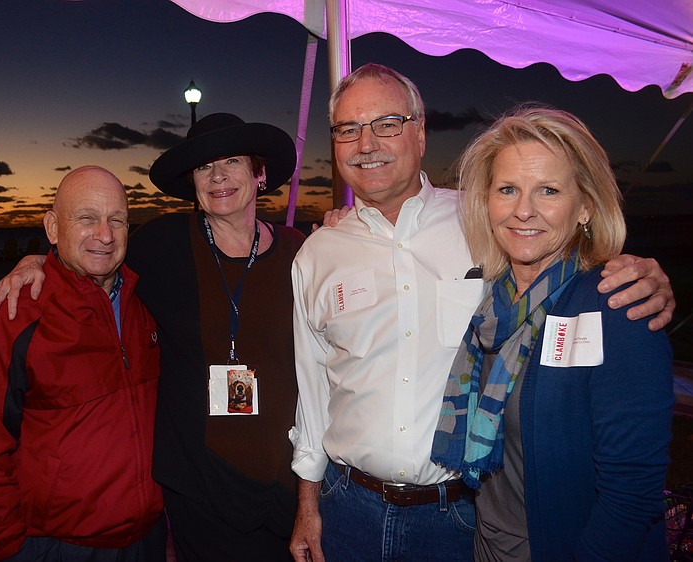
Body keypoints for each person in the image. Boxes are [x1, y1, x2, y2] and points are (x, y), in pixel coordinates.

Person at [289, 63, 675, 562]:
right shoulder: (319, 254)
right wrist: (307, 504)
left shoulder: (481, 221)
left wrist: (642, 272)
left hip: (459, 515)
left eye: (386, 123)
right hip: (350, 506)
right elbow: (313, 390)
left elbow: (567, 260)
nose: (367, 143)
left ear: (420, 133)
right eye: (348, 129)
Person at [0, 113, 306, 561]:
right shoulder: (161, 245)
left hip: (288, 480)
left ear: (260, 173)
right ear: (192, 183)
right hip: (200, 492)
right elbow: (93, 249)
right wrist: (33, 263)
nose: (218, 176)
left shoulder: (301, 252)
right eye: (204, 166)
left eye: (232, 161)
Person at [430, 107, 673, 560]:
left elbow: (631, 498)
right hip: (485, 546)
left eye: (549, 190)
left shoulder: (619, 307)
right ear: (488, 202)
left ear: (585, 207)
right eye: (507, 189)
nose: (524, 210)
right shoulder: (492, 305)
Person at [0, 166, 165, 561]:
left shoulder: (150, 301)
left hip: (146, 538)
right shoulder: (14, 317)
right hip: (56, 546)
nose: (105, 234)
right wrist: (6, 547)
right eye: (86, 218)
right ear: (52, 228)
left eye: (117, 220)